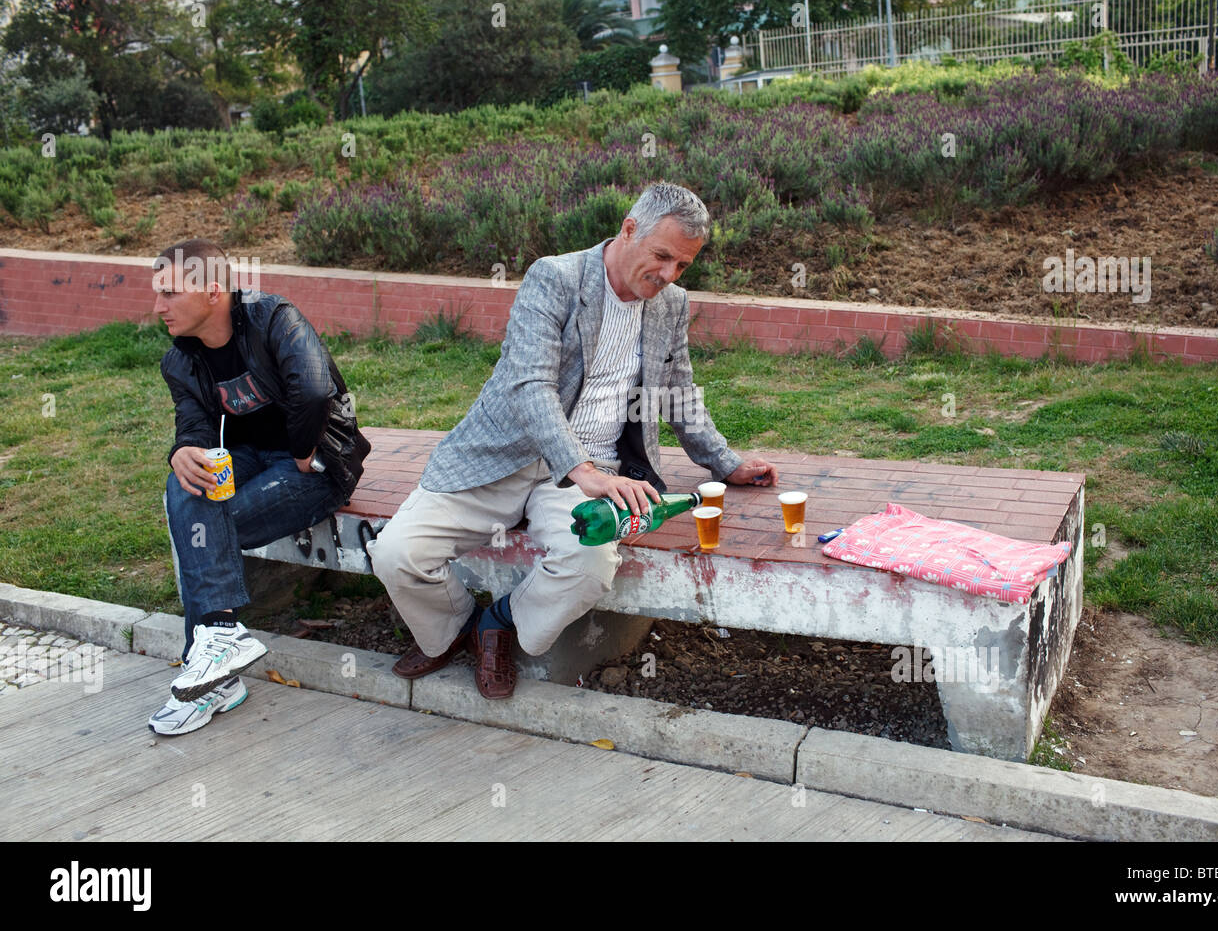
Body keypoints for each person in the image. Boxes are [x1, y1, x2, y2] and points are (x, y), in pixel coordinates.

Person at [368, 182, 778, 700]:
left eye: (683, 266)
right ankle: (452, 631)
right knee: (397, 554)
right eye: (662, 256)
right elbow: (531, 385)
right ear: (629, 229)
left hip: (595, 471)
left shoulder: (670, 304)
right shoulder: (555, 278)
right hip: (504, 456)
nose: (670, 275)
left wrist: (726, 463)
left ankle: (500, 622)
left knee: (589, 565)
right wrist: (579, 466)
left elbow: (678, 390)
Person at [149, 238, 370, 735]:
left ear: (211, 293)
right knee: (186, 485)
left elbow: (313, 387)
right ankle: (221, 645)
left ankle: (206, 674)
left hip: (314, 465)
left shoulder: (273, 318)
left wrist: (301, 450)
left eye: (168, 293)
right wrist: (183, 451)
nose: (157, 306)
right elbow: (194, 427)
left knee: (203, 527)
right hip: (247, 459)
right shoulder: (180, 360)